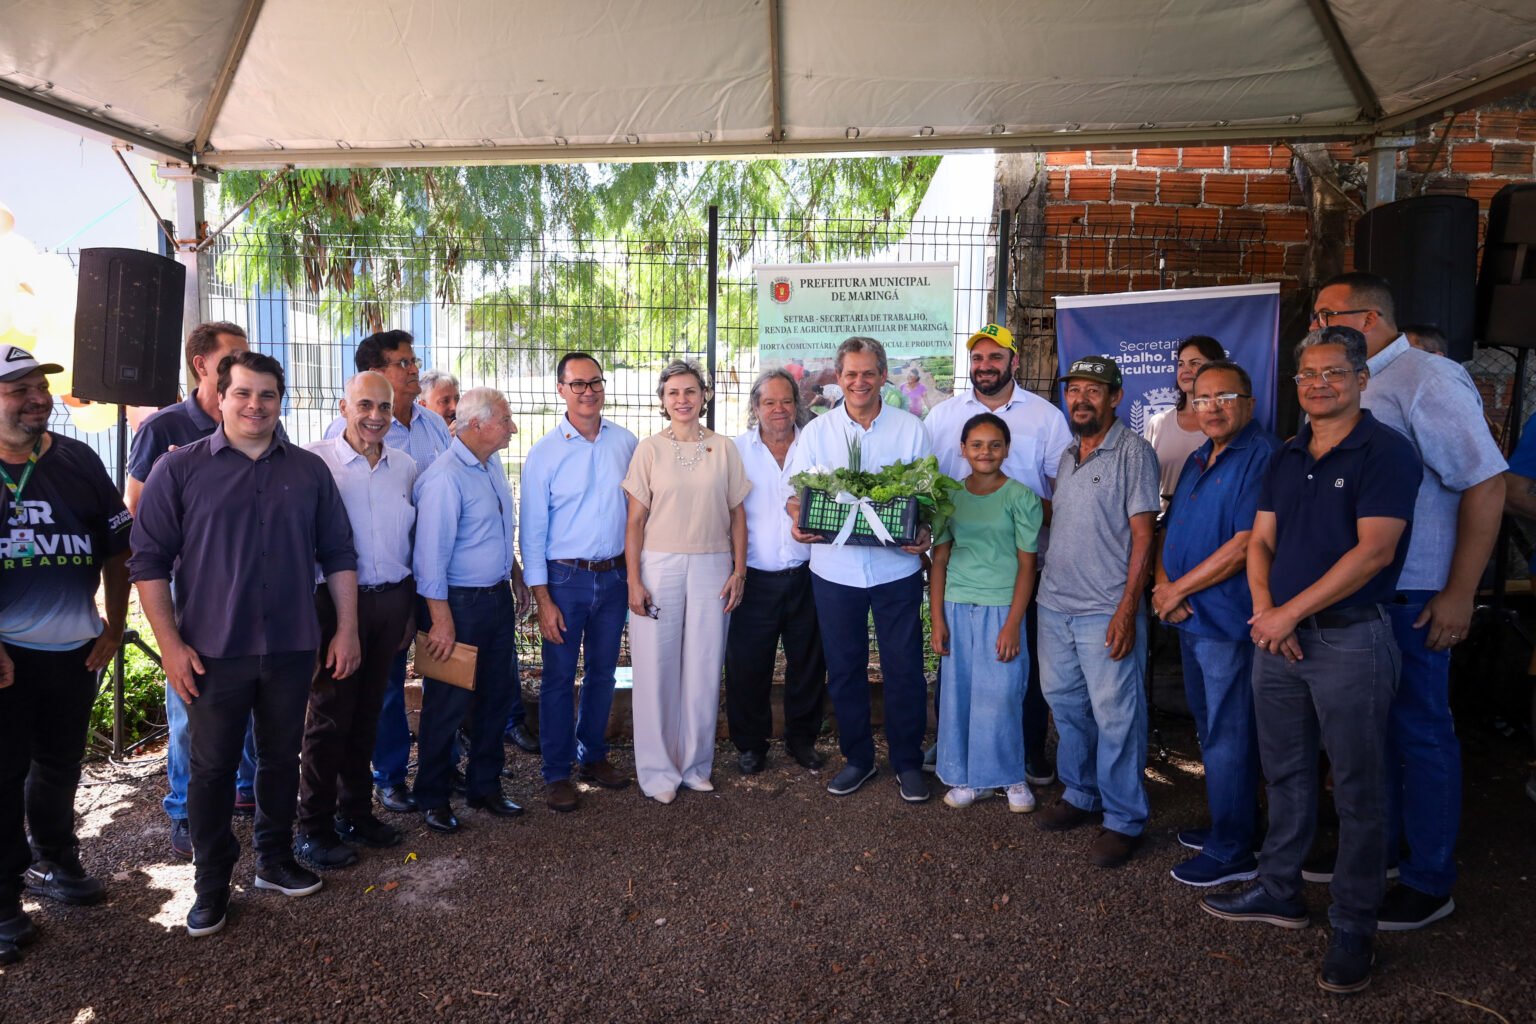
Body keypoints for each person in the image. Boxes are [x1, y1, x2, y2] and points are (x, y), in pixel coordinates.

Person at [1201, 325, 1420, 995]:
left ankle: (1354, 925)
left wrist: (1288, 614)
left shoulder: (1387, 451)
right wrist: (1268, 613)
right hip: (1279, 640)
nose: (1319, 384)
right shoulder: (1289, 453)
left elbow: (1374, 552)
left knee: (1357, 787)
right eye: (1308, 375)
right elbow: (1261, 542)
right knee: (1286, 772)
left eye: (1334, 372)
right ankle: (1279, 889)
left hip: (1350, 640)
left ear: (1361, 380)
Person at [130, 351, 360, 938]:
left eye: (267, 395)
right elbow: (148, 562)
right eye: (243, 393)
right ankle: (211, 884)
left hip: (291, 646)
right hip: (212, 651)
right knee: (211, 769)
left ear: (281, 401)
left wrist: (347, 628)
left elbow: (338, 553)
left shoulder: (309, 472)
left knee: (282, 759)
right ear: (219, 396)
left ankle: (274, 860)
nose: (255, 405)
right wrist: (170, 646)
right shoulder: (178, 469)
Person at [1312, 273, 1505, 931]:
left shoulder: (1427, 377)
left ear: (1368, 319)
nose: (1316, 327)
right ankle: (1385, 854)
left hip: (1415, 591)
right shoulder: (1357, 381)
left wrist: (1460, 592)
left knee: (1420, 732)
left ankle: (1429, 879)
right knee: (1375, 734)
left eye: (1327, 314)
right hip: (1360, 590)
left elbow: (1486, 483)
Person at [0, 345, 131, 965]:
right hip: (6, 657)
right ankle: (3, 900)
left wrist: (115, 626)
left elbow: (119, 549)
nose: (37, 399)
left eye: (40, 387)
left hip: (76, 650)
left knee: (59, 765)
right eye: (18, 390)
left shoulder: (78, 460)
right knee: (2, 776)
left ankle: (54, 859)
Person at [126, 320, 260, 857]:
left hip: (248, 584)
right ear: (202, 365)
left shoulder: (252, 418)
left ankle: (245, 787)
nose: (243, 365)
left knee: (250, 691)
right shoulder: (164, 428)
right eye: (232, 357)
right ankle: (184, 809)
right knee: (189, 699)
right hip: (189, 590)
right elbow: (138, 512)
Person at [786, 337, 936, 803]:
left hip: (896, 570)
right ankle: (858, 758)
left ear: (883, 375)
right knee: (845, 669)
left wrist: (924, 530)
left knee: (905, 669)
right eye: (851, 373)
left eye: (869, 372)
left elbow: (927, 498)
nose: (859, 381)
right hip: (835, 572)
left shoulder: (911, 429)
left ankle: (908, 761)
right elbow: (793, 496)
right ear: (839, 377)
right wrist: (798, 523)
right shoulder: (817, 432)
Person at [924, 322, 1072, 786]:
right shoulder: (942, 417)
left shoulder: (1046, 417)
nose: (985, 366)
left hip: (1024, 567)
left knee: (1019, 664)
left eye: (995, 357)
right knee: (957, 664)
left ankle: (1027, 751)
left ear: (1014, 362)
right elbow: (927, 486)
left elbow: (1062, 491)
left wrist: (1017, 510)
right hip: (963, 572)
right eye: (978, 358)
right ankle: (954, 744)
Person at [321, 331, 461, 814]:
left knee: (442, 671)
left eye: (413, 360)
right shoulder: (335, 445)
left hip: (426, 576)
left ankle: (441, 765)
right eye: (403, 362)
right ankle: (389, 776)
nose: (414, 368)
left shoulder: (431, 426)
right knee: (380, 687)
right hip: (361, 589)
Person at [1152, 360, 1278, 886]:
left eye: (1224, 397)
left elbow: (1247, 543)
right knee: (1211, 731)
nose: (1212, 408)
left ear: (1249, 401)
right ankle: (1232, 824)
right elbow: (1171, 528)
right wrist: (1164, 586)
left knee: (1230, 733)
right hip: (1189, 616)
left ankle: (1234, 849)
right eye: (1202, 399)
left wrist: (1178, 589)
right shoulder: (1200, 455)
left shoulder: (1262, 456)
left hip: (1226, 620)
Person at [1034, 355, 1160, 869]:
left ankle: (1125, 817)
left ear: (1115, 397)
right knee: (1066, 706)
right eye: (1074, 390)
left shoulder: (1134, 453)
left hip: (1105, 609)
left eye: (1093, 391)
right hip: (1054, 605)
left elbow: (1144, 537)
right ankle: (1080, 793)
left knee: (1117, 716)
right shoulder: (1068, 454)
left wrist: (1128, 609)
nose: (1080, 399)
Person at [294, 372, 418, 869]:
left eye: (384, 407)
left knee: (369, 713)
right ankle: (313, 827)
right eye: (364, 405)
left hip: (390, 603)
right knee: (329, 717)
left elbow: (407, 542)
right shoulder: (315, 462)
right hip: (334, 607)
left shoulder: (405, 467)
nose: (375, 416)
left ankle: (356, 813)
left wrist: (407, 611)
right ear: (343, 407)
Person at [623, 361, 749, 803]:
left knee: (704, 666)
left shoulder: (724, 448)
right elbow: (634, 522)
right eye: (673, 392)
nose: (682, 399)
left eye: (690, 391)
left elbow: (738, 515)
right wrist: (634, 580)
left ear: (704, 395)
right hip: (659, 566)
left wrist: (739, 570)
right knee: (656, 668)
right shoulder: (649, 450)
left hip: (713, 566)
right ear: (662, 400)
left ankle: (696, 766)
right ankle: (658, 772)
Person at [519, 353, 637, 812]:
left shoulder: (626, 443)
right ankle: (556, 772)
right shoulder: (544, 453)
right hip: (565, 580)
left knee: (604, 672)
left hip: (615, 576)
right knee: (559, 677)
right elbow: (532, 531)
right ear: (561, 390)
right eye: (578, 384)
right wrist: (542, 597)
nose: (588, 392)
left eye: (595, 382)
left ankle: (594, 756)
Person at [412, 387, 531, 833]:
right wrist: (441, 621)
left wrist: (514, 572)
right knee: (447, 704)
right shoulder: (445, 478)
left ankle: (485, 786)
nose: (513, 428)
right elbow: (429, 559)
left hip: (494, 599)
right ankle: (433, 796)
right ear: (477, 425)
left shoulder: (490, 463)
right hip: (458, 606)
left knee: (496, 698)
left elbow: (496, 528)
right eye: (505, 420)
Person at [929, 413, 1042, 812]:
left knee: (1002, 694)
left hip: (1002, 608)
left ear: (1006, 450)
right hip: (957, 605)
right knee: (958, 694)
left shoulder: (1021, 498)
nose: (985, 452)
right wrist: (937, 619)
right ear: (963, 449)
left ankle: (1010, 776)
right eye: (976, 445)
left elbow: (1027, 565)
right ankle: (966, 776)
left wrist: (1013, 623)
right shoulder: (950, 498)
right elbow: (939, 560)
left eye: (995, 445)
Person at [724, 369, 827, 775]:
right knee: (748, 666)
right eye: (769, 402)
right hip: (753, 577)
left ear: (796, 404)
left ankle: (802, 740)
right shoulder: (736, 451)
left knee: (809, 664)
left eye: (786, 401)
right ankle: (751, 745)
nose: (779, 409)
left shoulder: (816, 445)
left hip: (809, 574)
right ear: (755, 407)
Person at [1145, 335, 1226, 510]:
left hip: (1212, 519)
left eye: (1194, 363)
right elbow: (1144, 484)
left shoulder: (1226, 423)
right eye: (1181, 364)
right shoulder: (1158, 423)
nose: (1185, 370)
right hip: (1164, 522)